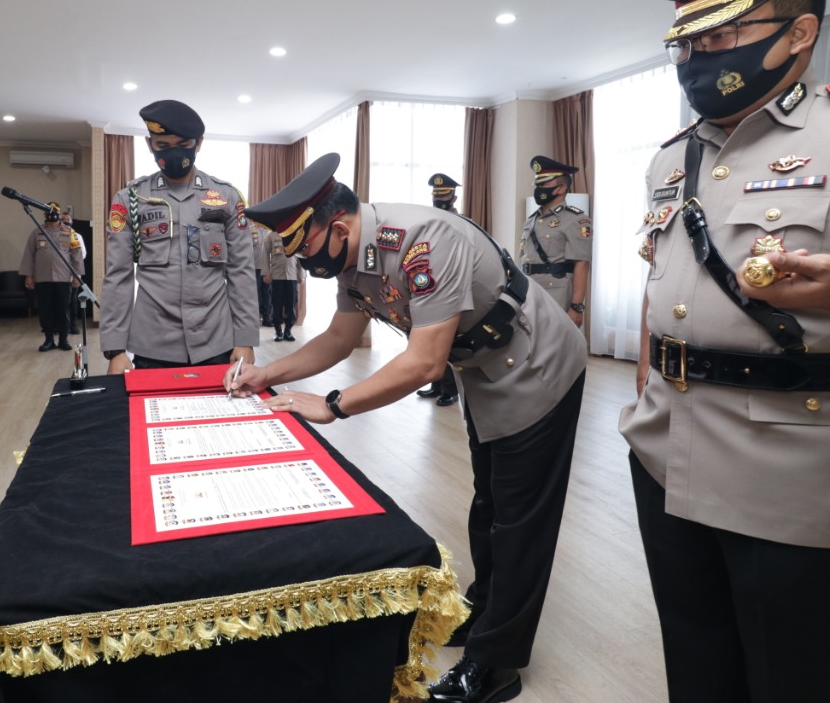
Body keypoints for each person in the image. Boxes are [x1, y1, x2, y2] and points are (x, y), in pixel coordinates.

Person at [621, 0, 830, 702]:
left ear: (798, 32)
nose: (696, 57)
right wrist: (644, 395)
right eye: (686, 42)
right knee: (699, 677)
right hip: (667, 457)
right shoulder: (671, 158)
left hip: (803, 474)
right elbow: (665, 294)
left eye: (721, 34)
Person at [230, 153, 587, 703]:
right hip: (485, 370)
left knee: (520, 518)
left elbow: (423, 364)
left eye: (305, 248)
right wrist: (267, 375)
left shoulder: (425, 241)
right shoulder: (353, 258)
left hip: (538, 365)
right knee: (490, 503)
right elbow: (339, 338)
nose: (303, 261)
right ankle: (485, 611)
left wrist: (334, 404)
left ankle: (496, 664)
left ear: (339, 228)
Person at [100, 99, 258, 372]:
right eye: (162, 145)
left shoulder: (226, 197)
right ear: (150, 144)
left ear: (199, 143)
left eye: (183, 144)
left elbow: (241, 271)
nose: (173, 153)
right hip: (153, 341)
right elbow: (118, 276)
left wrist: (245, 339)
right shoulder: (130, 199)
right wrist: (115, 350)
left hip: (216, 339)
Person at [518, 157, 591, 327]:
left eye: (544, 184)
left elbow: (582, 264)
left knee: (555, 341)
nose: (538, 188)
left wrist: (577, 307)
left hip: (556, 294)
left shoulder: (576, 219)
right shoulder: (531, 220)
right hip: (529, 291)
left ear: (561, 188)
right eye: (537, 184)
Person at [416, 172, 461, 406]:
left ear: (453, 198)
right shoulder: (428, 223)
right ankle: (436, 384)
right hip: (430, 286)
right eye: (436, 196)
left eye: (443, 196)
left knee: (448, 342)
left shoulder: (461, 224)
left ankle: (450, 390)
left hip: (451, 287)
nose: (438, 200)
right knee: (430, 340)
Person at [19, 202, 86, 352]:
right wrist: (28, 276)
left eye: (56, 211)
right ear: (45, 214)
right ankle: (48, 339)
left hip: (63, 278)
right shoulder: (37, 232)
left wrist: (77, 276)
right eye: (49, 211)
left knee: (63, 309)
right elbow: (29, 255)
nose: (53, 214)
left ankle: (63, 339)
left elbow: (77, 256)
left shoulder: (69, 232)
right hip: (42, 278)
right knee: (45, 310)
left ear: (60, 214)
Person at [262, 229, 299, 342]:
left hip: (292, 275)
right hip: (277, 275)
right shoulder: (271, 235)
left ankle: (288, 331)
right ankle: (278, 331)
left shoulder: (295, 233)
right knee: (277, 303)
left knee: (291, 304)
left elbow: (300, 253)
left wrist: (302, 274)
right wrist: (266, 273)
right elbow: (265, 254)